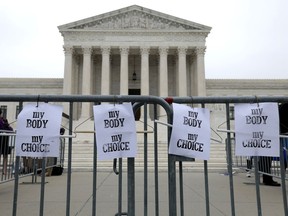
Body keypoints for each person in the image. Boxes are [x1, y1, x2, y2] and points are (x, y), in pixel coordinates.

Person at [0, 109, 13, 175]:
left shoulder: (4, 120)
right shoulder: (2, 122)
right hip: (2, 140)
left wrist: (7, 125)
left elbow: (10, 129)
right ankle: (4, 171)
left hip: (4, 140)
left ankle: (4, 171)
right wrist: (6, 126)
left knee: (5, 156)